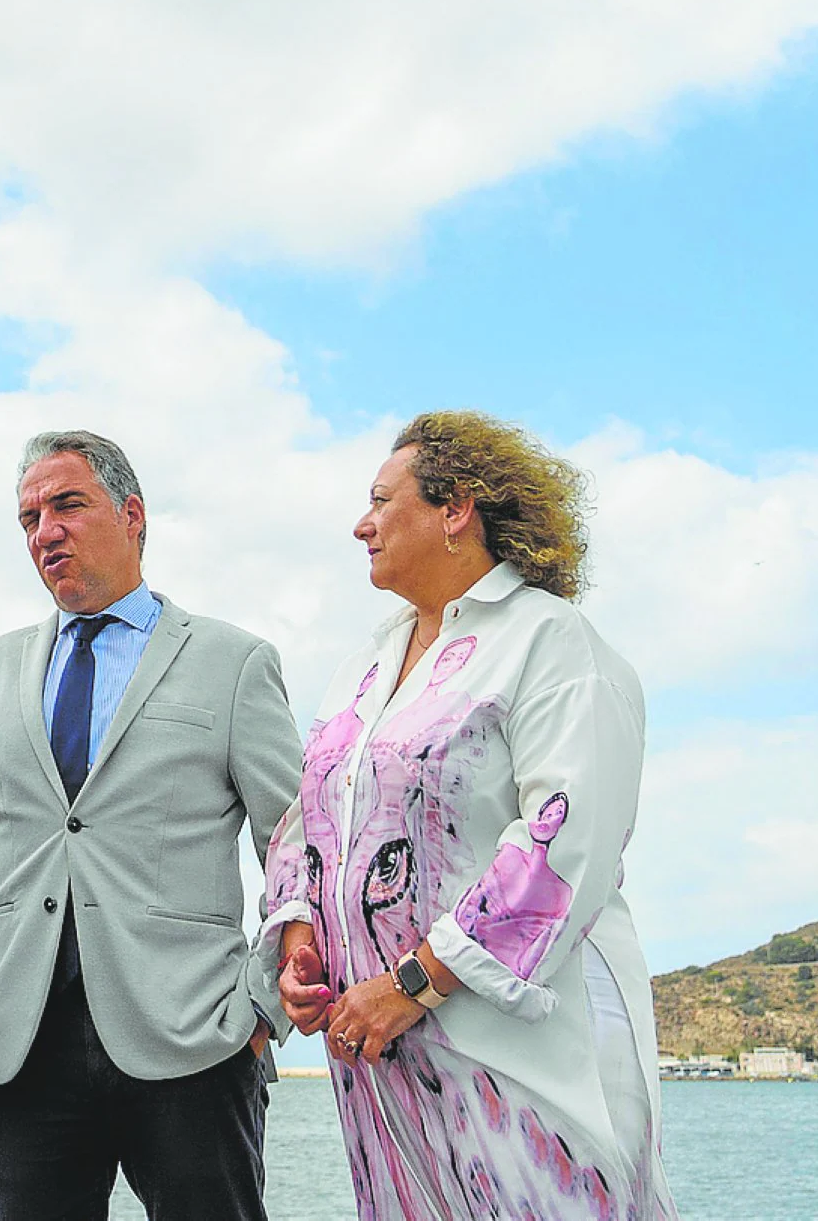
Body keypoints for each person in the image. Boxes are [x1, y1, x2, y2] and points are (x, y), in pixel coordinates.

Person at [264, 411, 680, 1221]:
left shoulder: (551, 642)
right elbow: (305, 819)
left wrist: (413, 982)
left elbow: (567, 843)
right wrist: (298, 937)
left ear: (457, 509)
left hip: (514, 1059)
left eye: (383, 500)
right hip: (378, 1065)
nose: (362, 523)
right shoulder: (364, 667)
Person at [0, 430, 303, 1221]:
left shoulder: (233, 662)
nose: (43, 531)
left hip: (195, 1037)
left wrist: (263, 1010)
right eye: (27, 519)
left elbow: (296, 847)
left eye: (66, 505)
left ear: (132, 515)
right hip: (21, 1046)